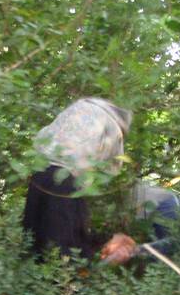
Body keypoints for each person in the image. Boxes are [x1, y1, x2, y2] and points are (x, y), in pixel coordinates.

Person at [22, 97, 137, 264]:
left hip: (41, 173)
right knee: (64, 256)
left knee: (38, 242)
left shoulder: (80, 107)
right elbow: (112, 168)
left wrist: (107, 240)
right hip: (67, 181)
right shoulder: (113, 127)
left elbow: (71, 236)